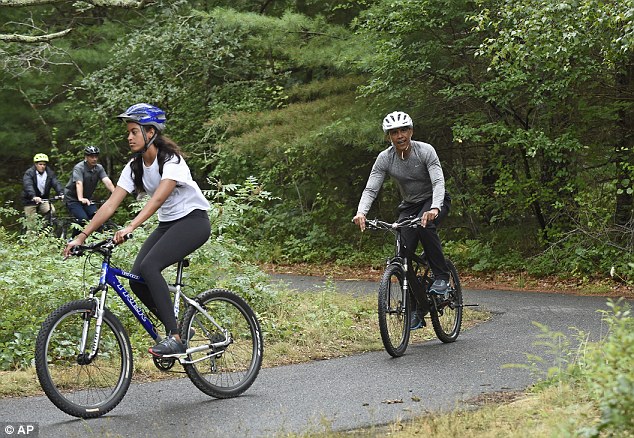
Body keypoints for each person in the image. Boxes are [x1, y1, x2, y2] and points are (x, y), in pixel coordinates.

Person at [63, 103, 211, 358]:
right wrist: (81, 236)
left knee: (150, 266)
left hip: (194, 221)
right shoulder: (135, 166)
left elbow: (156, 200)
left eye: (134, 131)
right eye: (128, 132)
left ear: (151, 132)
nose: (129, 137)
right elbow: (110, 204)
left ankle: (175, 337)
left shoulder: (171, 160)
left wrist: (131, 226)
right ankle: (178, 328)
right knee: (137, 279)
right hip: (168, 225)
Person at [352, 111, 451, 330]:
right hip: (410, 206)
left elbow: (438, 182)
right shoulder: (385, 158)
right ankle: (417, 308)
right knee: (403, 255)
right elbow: (371, 188)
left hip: (434, 200)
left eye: (403, 130)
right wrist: (361, 212)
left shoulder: (425, 151)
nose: (400, 136)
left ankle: (442, 276)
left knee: (425, 225)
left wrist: (435, 207)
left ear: (411, 131)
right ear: (389, 136)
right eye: (394, 132)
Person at [64, 146, 116, 229]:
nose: (94, 159)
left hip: (87, 199)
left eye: (96, 156)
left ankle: (97, 239)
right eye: (92, 157)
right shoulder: (79, 168)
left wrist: (115, 193)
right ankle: (73, 239)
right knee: (83, 219)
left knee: (97, 217)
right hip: (73, 199)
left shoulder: (99, 168)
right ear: (86, 157)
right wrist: (80, 198)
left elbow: (106, 181)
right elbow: (78, 183)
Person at [22, 153, 64, 229]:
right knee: (31, 225)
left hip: (43, 199)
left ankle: (42, 228)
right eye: (40, 164)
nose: (42, 166)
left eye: (44, 164)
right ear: (35, 164)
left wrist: (61, 193)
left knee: (51, 211)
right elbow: (28, 185)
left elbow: (56, 183)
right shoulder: (29, 173)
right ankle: (31, 237)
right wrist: (33, 196)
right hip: (30, 200)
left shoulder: (49, 173)